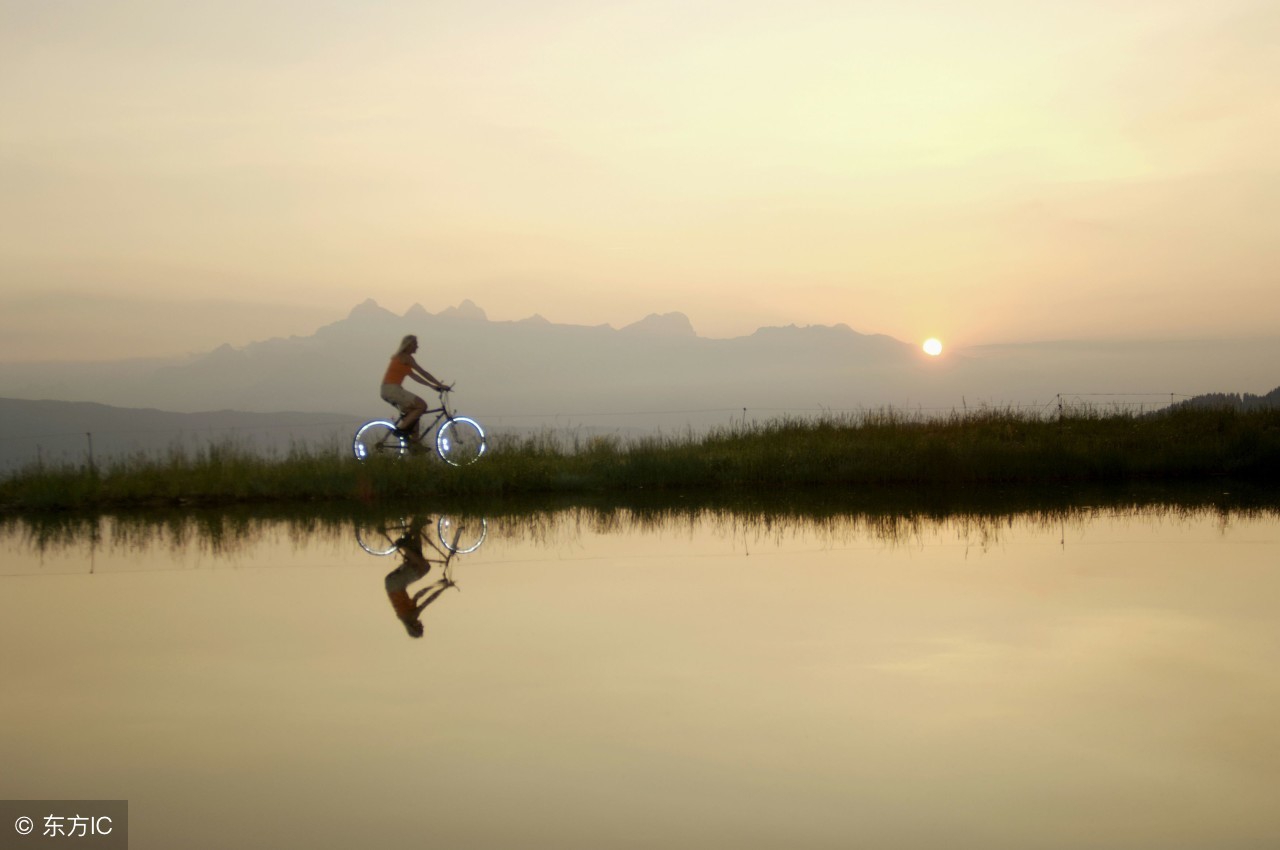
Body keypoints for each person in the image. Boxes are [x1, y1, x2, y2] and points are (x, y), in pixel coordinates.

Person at [385, 522, 455, 639]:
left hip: (397, 584)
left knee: (424, 567)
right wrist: (436, 585)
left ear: (414, 626)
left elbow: (427, 601)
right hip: (392, 583)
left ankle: (403, 545)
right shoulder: (406, 615)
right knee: (418, 558)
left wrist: (443, 588)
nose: (422, 625)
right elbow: (419, 594)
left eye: (420, 627)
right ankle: (416, 528)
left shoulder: (410, 617)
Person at [380, 334, 451, 438]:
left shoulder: (402, 359)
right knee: (422, 405)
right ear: (409, 345)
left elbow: (415, 377)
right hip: (392, 389)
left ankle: (415, 445)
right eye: (415, 344)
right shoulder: (405, 357)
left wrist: (432, 385)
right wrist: (439, 385)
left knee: (413, 416)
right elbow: (423, 372)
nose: (417, 347)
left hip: (388, 390)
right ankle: (400, 430)